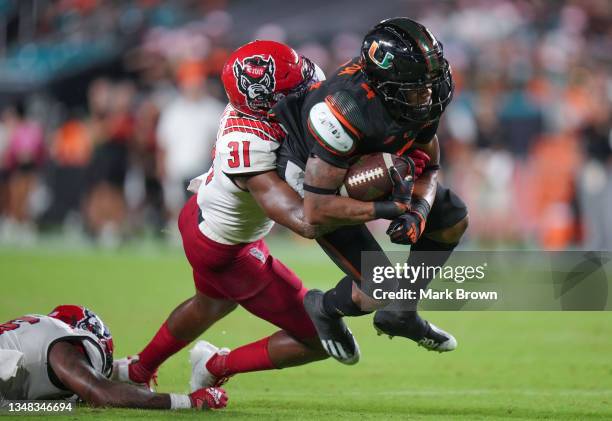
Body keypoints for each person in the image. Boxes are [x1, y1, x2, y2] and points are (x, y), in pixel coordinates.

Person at [113, 40, 333, 390]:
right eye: (299, 88)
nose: (311, 90)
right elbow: (307, 222)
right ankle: (215, 365)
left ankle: (138, 370)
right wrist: (372, 202)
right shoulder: (248, 142)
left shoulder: (259, 106)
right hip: (228, 250)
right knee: (324, 336)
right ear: (267, 102)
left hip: (202, 217)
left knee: (210, 305)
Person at [272, 18, 469, 363]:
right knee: (379, 288)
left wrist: (418, 212)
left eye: (430, 82)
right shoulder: (343, 109)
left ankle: (402, 312)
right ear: (383, 85)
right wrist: (390, 210)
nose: (427, 95)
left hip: (371, 163)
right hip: (316, 177)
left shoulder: (424, 95)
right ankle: (324, 307)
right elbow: (316, 209)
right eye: (415, 87)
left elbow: (431, 166)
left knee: (452, 216)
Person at [0, 305, 227, 410]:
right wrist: (186, 401)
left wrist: (122, 370)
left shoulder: (39, 334)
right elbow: (100, 391)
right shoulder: (63, 343)